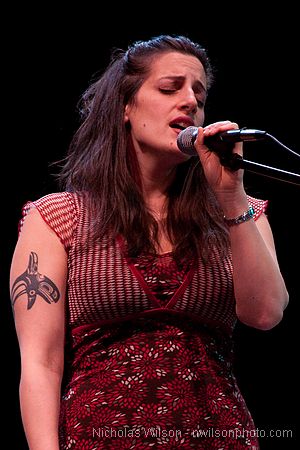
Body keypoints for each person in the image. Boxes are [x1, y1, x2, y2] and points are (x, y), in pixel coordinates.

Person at [10, 34, 289, 449]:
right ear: (125, 106)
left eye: (199, 92)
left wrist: (231, 198)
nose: (190, 101)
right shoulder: (59, 217)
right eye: (169, 88)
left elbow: (265, 313)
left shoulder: (239, 212)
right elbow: (41, 364)